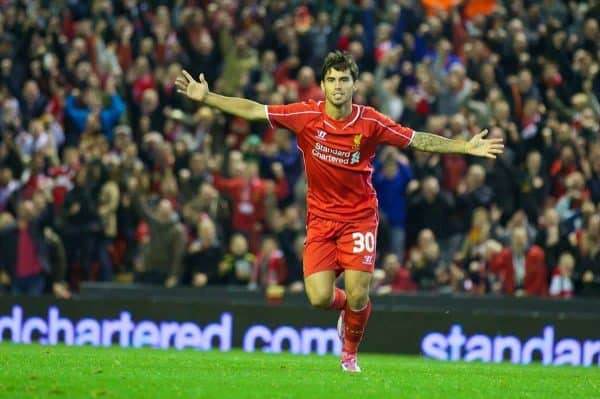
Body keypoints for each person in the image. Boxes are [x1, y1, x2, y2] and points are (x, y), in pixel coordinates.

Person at [175, 50, 503, 372]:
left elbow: (416, 140)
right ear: (322, 84)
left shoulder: (370, 121)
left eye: (344, 79)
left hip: (360, 218)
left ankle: (349, 355)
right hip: (320, 221)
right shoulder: (305, 115)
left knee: (359, 292)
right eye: (331, 79)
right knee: (319, 298)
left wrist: (463, 146)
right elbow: (254, 110)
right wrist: (207, 98)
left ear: (354, 85)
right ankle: (347, 310)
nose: (337, 86)